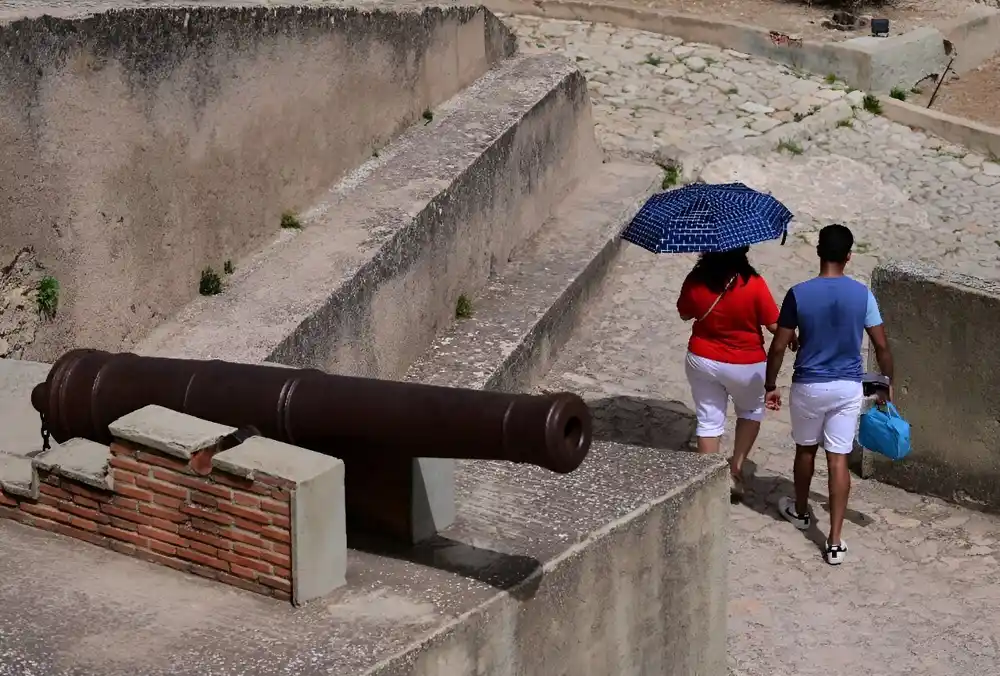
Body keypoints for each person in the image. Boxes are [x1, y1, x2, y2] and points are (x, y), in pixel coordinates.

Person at [764, 223, 894, 566]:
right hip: (847, 387)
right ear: (849, 257)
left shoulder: (798, 293)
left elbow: (778, 346)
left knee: (805, 449)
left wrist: (770, 383)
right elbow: (881, 346)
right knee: (838, 459)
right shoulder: (863, 295)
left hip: (809, 385)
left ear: (819, 252)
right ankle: (835, 541)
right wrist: (884, 385)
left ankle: (802, 511)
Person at [676, 246, 787, 500]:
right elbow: (773, 325)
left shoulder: (696, 279)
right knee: (750, 411)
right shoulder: (755, 283)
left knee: (708, 420)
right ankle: (735, 471)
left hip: (702, 359)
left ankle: (706, 483)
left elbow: (684, 313)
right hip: (746, 365)